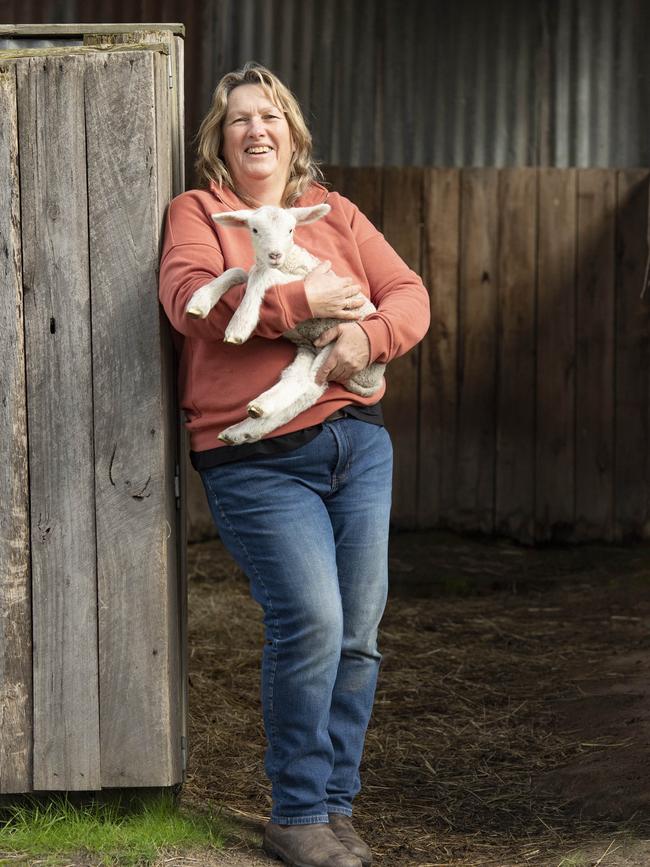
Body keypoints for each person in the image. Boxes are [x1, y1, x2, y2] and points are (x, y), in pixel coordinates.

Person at [158, 62, 430, 867]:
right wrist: (305, 306)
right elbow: (189, 301)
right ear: (220, 139)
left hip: (357, 441)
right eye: (240, 118)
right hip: (257, 458)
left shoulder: (333, 213)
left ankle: (335, 807)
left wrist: (366, 340)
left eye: (271, 115)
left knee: (359, 634)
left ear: (292, 133)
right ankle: (297, 810)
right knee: (311, 620)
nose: (257, 129)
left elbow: (406, 294)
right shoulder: (200, 213)